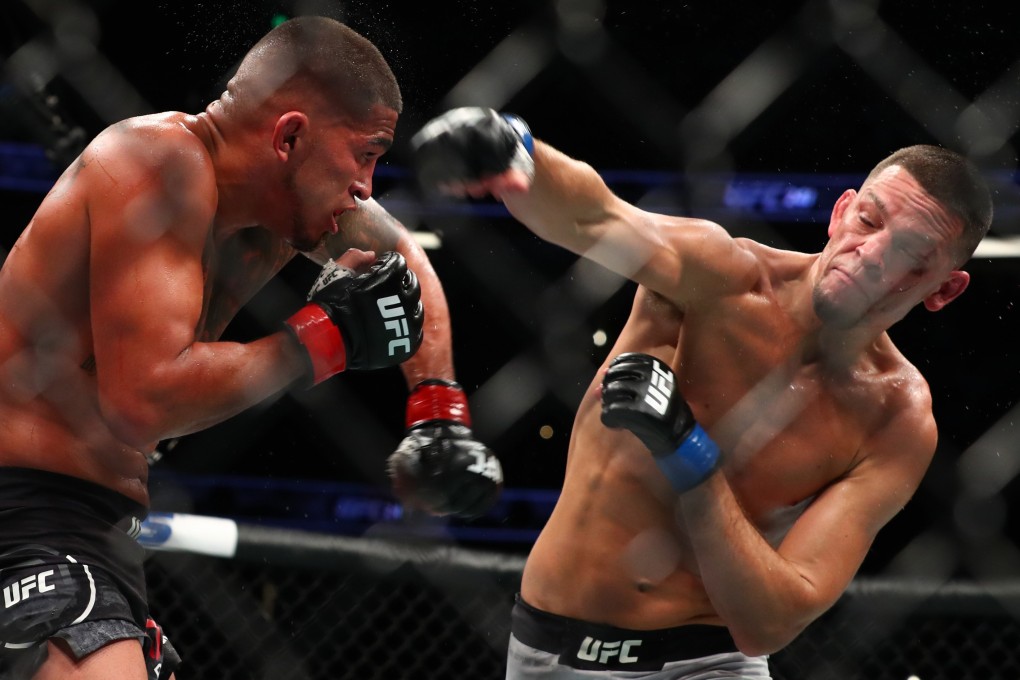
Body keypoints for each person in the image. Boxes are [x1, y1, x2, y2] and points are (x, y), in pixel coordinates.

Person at [410, 107, 993, 679]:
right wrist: (516, 150)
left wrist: (691, 455)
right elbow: (595, 217)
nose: (872, 255)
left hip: (710, 664)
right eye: (869, 221)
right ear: (841, 212)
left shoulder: (896, 416)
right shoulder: (720, 277)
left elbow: (773, 622)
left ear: (944, 290)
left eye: (912, 257)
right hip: (548, 652)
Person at [0, 18, 501, 680]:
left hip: (87, 527)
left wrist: (437, 408)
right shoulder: (157, 161)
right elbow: (142, 400)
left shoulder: (274, 216)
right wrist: (325, 340)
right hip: (24, 516)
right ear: (290, 136)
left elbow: (399, 259)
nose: (367, 186)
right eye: (367, 154)